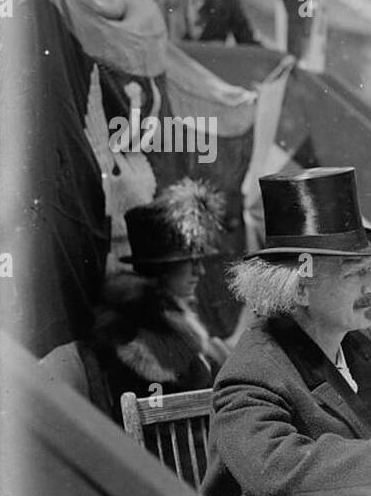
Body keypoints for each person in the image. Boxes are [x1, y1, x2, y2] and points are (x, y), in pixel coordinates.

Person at [203, 167, 371, 496]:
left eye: (370, 271)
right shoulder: (253, 372)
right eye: (356, 274)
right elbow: (274, 469)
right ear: (301, 289)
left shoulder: (355, 346)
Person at [40, 178, 229, 421]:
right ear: (162, 269)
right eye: (189, 262)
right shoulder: (138, 331)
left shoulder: (163, 318)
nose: (199, 271)